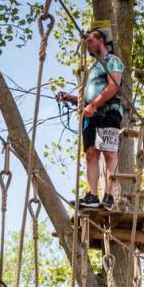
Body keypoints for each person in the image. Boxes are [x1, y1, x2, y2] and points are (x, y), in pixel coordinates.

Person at [56, 26, 125, 211]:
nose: (88, 44)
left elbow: (113, 87)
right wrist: (71, 98)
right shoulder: (92, 68)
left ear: (100, 40)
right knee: (91, 154)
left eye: (91, 40)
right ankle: (92, 196)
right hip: (92, 114)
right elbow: (89, 96)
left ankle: (109, 196)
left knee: (109, 153)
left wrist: (93, 105)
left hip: (109, 111)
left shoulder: (112, 61)